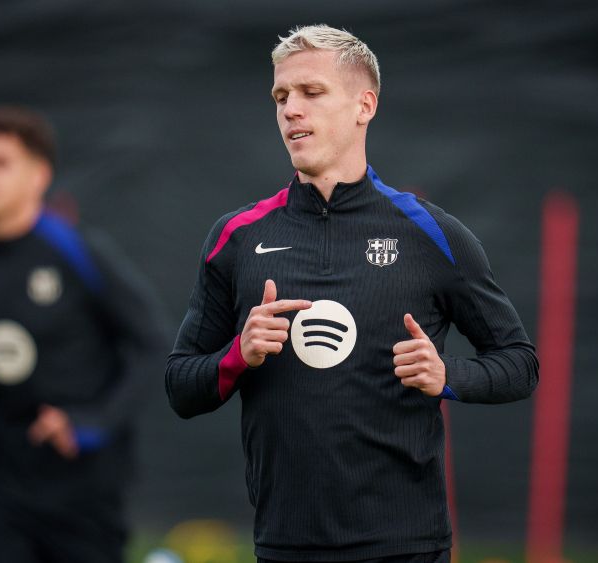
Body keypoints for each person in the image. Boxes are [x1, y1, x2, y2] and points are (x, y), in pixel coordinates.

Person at [165, 25, 539, 562]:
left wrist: (447, 376)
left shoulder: (432, 234)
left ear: (365, 105)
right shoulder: (237, 237)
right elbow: (180, 385)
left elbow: (520, 364)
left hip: (407, 546)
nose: (291, 109)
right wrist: (238, 355)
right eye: (280, 96)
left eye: (311, 92)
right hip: (285, 545)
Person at [0, 105, 167, 563]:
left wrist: (90, 423)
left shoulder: (75, 252)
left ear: (38, 175)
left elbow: (152, 344)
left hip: (84, 486)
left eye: (1, 163)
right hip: (2, 484)